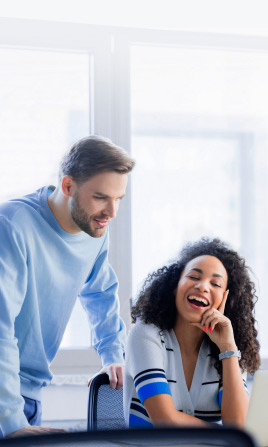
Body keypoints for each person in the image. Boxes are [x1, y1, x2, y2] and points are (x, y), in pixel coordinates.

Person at [0, 135, 135, 437]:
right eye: (101, 197)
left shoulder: (94, 231)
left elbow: (101, 293)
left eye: (119, 199)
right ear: (68, 186)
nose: (112, 213)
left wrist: (113, 354)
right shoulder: (12, 226)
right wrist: (11, 422)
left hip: (29, 395)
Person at [124, 238, 260, 428]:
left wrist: (228, 348)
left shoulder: (229, 347)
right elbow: (165, 420)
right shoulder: (146, 335)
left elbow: (238, 425)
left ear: (226, 300)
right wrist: (223, 435)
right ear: (174, 286)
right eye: (194, 277)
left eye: (216, 284)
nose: (203, 286)